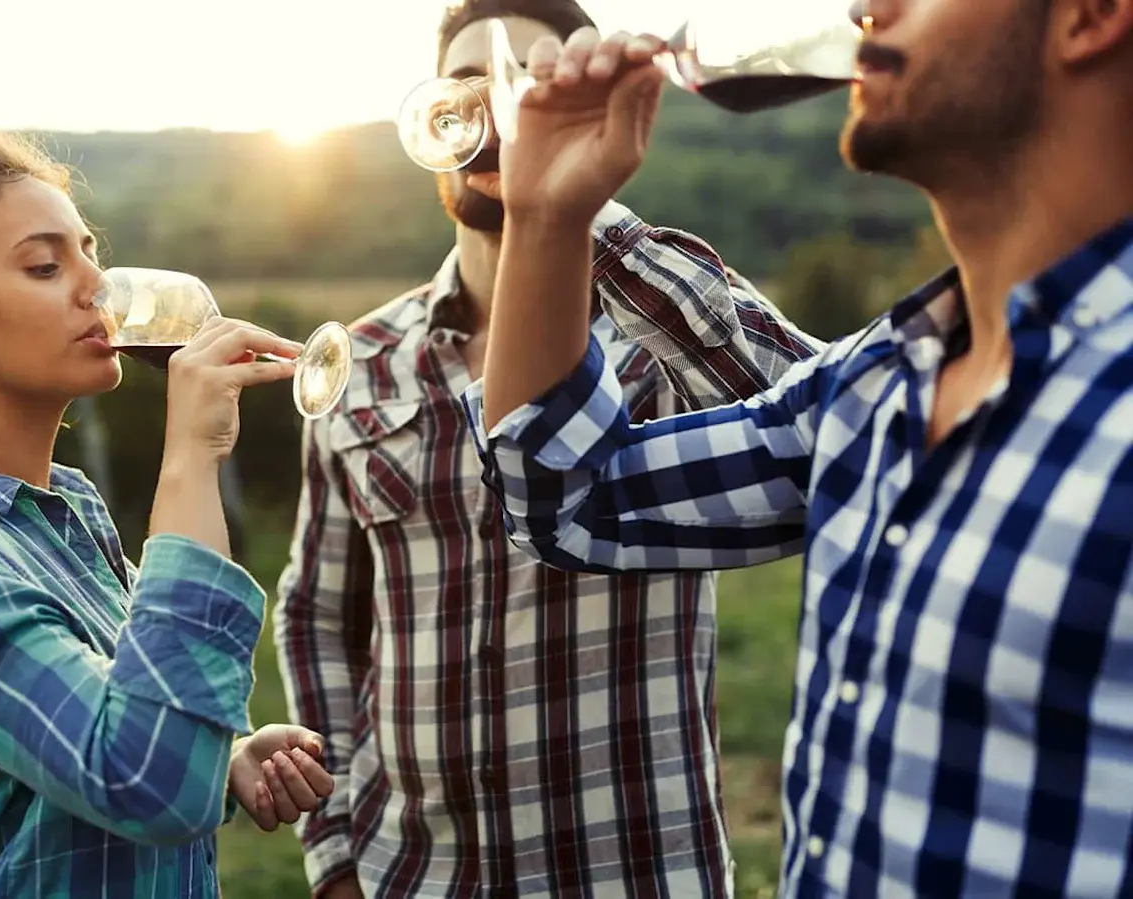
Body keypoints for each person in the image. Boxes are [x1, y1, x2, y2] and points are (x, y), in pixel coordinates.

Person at [464, 0, 1133, 895]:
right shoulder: (875, 384)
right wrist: (551, 220)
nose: (866, 8)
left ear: (1088, 17)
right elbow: (568, 501)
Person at [271, 2, 825, 897]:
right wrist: (336, 852)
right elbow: (317, 614)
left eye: (531, 79)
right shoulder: (361, 360)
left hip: (634, 871)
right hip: (412, 874)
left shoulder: (657, 320)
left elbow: (840, 440)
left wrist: (574, 207)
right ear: (437, 115)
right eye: (471, 85)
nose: (501, 106)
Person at [0, 130, 335, 898]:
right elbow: (150, 782)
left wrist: (229, 758)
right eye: (45, 265)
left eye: (89, 254)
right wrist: (188, 460)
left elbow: (144, 724)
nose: (97, 289)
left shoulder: (66, 514)